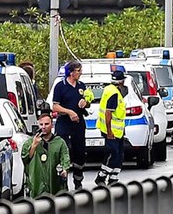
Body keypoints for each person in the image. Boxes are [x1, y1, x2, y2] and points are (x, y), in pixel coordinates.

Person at [49, 61, 90, 189]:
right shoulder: (60, 86)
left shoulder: (81, 86)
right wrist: (69, 112)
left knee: (80, 152)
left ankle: (78, 181)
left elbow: (88, 99)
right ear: (71, 72)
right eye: (78, 70)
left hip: (78, 124)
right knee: (64, 151)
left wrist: (86, 102)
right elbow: (55, 106)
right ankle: (62, 182)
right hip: (64, 123)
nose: (80, 73)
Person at [93, 68, 128, 187]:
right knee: (113, 153)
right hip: (112, 130)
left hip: (116, 130)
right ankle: (102, 176)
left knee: (118, 153)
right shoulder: (114, 93)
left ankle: (114, 178)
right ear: (122, 81)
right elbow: (108, 113)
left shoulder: (109, 89)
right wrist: (109, 131)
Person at [23, 112, 70, 197]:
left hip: (55, 185)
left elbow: (65, 158)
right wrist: (34, 146)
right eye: (41, 124)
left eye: (46, 124)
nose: (43, 127)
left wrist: (64, 170)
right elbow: (25, 159)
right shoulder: (30, 142)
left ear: (52, 125)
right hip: (37, 184)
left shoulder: (60, 142)